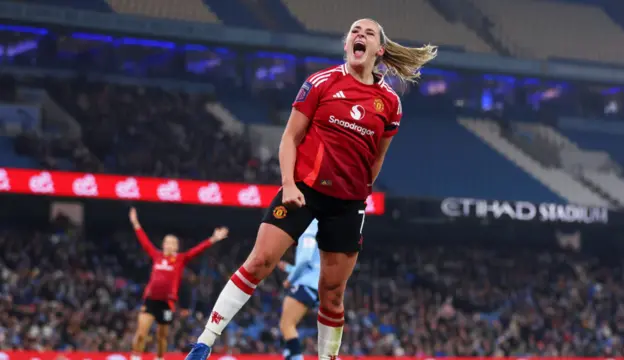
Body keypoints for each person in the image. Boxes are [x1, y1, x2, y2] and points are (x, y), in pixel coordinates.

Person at [185, 18, 436, 360]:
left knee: (332, 293)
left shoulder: (390, 103)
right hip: (303, 189)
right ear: (347, 44)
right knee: (259, 261)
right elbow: (290, 137)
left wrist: (360, 195)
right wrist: (288, 183)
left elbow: (376, 159)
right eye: (354, 31)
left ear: (379, 50)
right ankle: (204, 342)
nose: (359, 35)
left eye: (369, 33)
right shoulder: (321, 83)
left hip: (347, 204)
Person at [128, 207, 229, 360]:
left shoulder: (181, 259)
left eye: (172, 243)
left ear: (176, 246)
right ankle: (135, 357)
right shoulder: (157, 256)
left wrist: (214, 238)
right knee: (141, 332)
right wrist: (135, 222)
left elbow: (197, 250)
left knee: (162, 336)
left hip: (167, 303)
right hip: (150, 300)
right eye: (166, 242)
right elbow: (144, 241)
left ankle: (160, 358)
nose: (168, 245)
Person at [277, 220, 321, 360]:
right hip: (317, 286)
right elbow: (314, 265)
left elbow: (304, 261)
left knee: (286, 325)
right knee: (290, 326)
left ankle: (294, 357)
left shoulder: (309, 228)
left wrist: (290, 279)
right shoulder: (325, 227)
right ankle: (289, 355)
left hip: (306, 285)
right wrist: (290, 269)